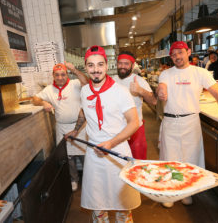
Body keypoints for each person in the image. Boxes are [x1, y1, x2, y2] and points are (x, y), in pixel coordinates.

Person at [157, 41, 218, 208]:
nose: (177, 57)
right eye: (173, 54)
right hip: (170, 122)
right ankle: (170, 192)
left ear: (188, 52)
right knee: (169, 157)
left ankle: (186, 191)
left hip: (190, 121)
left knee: (190, 158)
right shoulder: (166, 74)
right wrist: (161, 91)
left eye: (180, 52)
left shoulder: (200, 72)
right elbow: (162, 86)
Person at [66, 45, 141, 223]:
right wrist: (76, 130)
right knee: (97, 202)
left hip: (118, 152)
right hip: (94, 153)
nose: (96, 69)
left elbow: (134, 122)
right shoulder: (84, 91)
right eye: (91, 65)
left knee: (122, 202)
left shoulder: (121, 92)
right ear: (86, 67)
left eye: (100, 64)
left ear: (107, 66)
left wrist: (111, 143)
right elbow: (84, 111)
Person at [33, 63, 89, 192]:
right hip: (62, 128)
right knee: (68, 157)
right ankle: (73, 179)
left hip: (80, 127)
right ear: (53, 75)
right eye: (57, 75)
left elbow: (86, 82)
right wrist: (43, 102)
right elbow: (34, 99)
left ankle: (89, 179)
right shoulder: (49, 90)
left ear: (67, 74)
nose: (60, 77)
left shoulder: (75, 84)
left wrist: (74, 69)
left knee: (85, 155)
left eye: (63, 74)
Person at [113, 51, 157, 160]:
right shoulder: (112, 80)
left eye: (126, 64)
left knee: (138, 160)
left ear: (132, 66)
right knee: (119, 161)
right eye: (120, 63)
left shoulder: (139, 81)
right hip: (117, 128)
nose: (122, 66)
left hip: (135, 129)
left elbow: (153, 101)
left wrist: (140, 91)